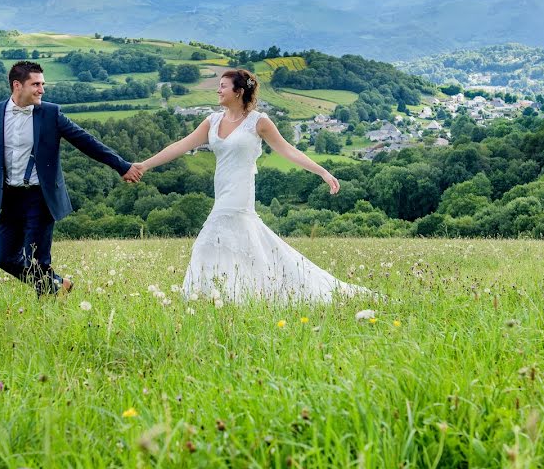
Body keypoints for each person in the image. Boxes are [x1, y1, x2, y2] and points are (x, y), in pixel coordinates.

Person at [132, 69, 368, 302]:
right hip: (222, 188)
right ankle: (234, 293)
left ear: (239, 91)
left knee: (211, 240)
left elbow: (287, 150)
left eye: (223, 86)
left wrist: (322, 171)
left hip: (241, 191)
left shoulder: (259, 122)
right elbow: (180, 146)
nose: (218, 90)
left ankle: (223, 294)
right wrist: (145, 165)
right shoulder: (212, 121)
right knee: (235, 242)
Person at [0, 61, 142, 295]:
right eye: (36, 84)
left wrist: (122, 166)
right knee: (4, 258)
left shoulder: (51, 113)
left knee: (37, 260)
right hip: (9, 197)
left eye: (42, 84)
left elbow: (86, 141)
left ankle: (47, 306)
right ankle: (58, 285)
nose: (42, 90)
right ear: (17, 85)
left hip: (40, 196)